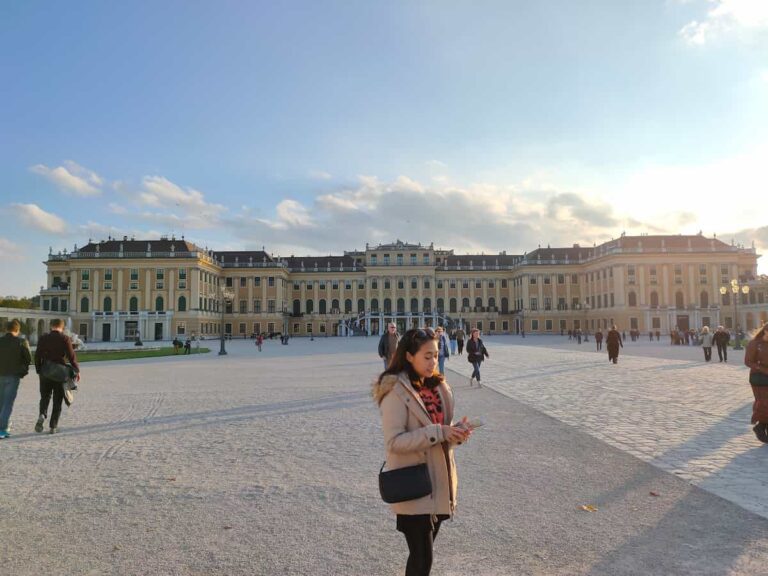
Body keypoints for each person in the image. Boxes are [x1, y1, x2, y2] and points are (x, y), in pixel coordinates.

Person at [371, 328, 472, 576]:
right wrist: (439, 432)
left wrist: (456, 434)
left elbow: (441, 434)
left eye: (436, 355)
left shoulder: (440, 388)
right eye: (427, 356)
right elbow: (394, 442)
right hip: (413, 483)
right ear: (409, 356)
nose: (433, 362)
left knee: (421, 558)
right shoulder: (395, 390)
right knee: (422, 557)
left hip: (440, 482)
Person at [34, 318, 80, 434]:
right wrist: (77, 370)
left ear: (51, 326)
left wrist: (39, 369)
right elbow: (71, 356)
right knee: (57, 399)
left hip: (45, 371)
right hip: (59, 372)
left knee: (45, 397)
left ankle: (42, 414)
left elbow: (37, 355)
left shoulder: (43, 338)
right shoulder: (65, 338)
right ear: (62, 327)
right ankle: (53, 426)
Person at [0, 319, 32, 439]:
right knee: (8, 402)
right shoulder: (21, 341)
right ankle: (2, 429)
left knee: (1, 401)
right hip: (13, 375)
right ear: (17, 330)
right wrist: (22, 372)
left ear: (6, 330)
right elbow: (28, 359)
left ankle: (3, 425)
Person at [744, 324, 768, 443]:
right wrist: (763, 369)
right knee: (764, 403)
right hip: (759, 378)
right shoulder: (754, 344)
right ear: (765, 331)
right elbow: (748, 361)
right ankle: (760, 427)